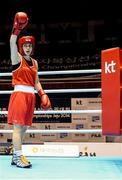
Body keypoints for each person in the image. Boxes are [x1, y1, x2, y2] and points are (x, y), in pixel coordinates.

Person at [7, 12, 51, 168]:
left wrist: (43, 94)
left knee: (24, 127)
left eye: (29, 45)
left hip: (31, 96)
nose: (27, 48)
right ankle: (19, 157)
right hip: (19, 95)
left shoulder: (35, 63)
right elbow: (12, 42)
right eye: (25, 45)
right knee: (18, 127)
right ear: (21, 46)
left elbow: (36, 81)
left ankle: (15, 155)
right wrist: (16, 29)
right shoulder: (16, 58)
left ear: (32, 47)